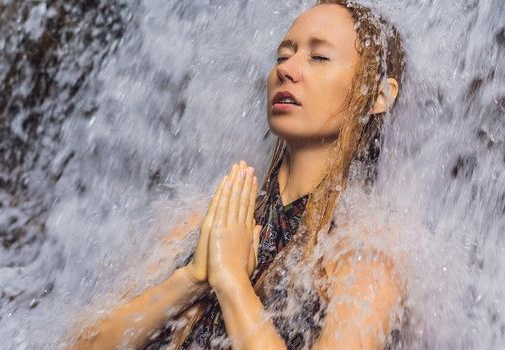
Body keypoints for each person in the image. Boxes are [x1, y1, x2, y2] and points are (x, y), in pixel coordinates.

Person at [70, 1, 406, 348]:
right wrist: (190, 279)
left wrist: (231, 282)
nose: (287, 69)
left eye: (318, 57)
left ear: (378, 96)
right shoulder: (210, 222)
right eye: (283, 55)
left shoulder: (365, 260)